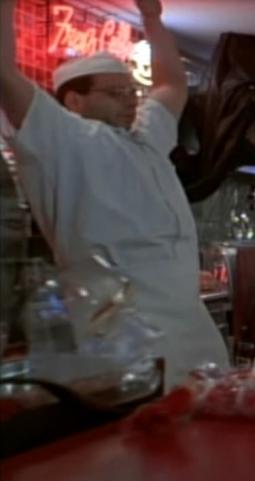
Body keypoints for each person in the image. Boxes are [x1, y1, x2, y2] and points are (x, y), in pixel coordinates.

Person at [0, 0, 229, 387]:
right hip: (118, 332)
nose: (130, 99)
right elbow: (5, 74)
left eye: (131, 91)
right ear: (74, 100)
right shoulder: (60, 137)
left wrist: (153, 20)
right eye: (114, 92)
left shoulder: (147, 137)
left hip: (193, 328)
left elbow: (171, 85)